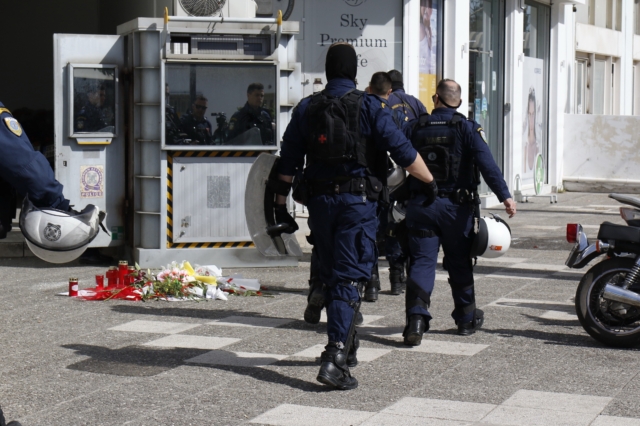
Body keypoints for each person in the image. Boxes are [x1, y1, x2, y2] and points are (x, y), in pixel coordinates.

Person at [273, 43, 436, 390]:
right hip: (357, 205)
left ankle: (348, 347)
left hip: (318, 205)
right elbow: (404, 153)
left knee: (333, 276)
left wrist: (277, 204)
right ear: (354, 72)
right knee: (349, 278)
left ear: (329, 71)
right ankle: (334, 359)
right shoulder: (369, 106)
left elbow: (286, 164)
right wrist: (431, 181)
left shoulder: (306, 108)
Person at [402, 79, 516, 346]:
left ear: (435, 99)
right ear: (460, 102)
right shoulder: (467, 128)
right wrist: (506, 197)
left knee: (421, 263)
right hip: (457, 209)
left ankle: (416, 321)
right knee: (459, 262)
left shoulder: (414, 127)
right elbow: (487, 164)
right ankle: (465, 320)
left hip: (422, 206)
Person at [523, 87, 539, 173]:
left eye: (533, 114)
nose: (531, 118)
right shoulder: (524, 144)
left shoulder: (538, 146)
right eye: (529, 114)